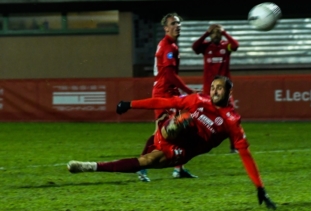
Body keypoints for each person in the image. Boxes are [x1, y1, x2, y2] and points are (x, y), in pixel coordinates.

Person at [67, 76, 277, 210]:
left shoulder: (231, 120)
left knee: (146, 161)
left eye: (219, 88)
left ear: (229, 93)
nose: (214, 91)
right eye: (212, 87)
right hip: (172, 132)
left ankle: (89, 167)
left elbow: (245, 154)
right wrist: (131, 104)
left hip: (183, 151)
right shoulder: (198, 100)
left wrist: (260, 187)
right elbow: (164, 102)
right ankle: (173, 125)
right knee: (182, 119)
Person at [138, 12, 197, 182]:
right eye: (172, 23)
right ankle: (141, 167)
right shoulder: (168, 47)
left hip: (171, 93)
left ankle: (178, 169)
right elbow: (170, 76)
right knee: (161, 133)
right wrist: (188, 90)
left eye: (178, 23)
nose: (176, 26)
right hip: (164, 94)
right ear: (165, 28)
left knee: (182, 128)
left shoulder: (169, 45)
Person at [192, 24, 239, 153]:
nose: (215, 35)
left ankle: (233, 146)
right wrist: (205, 34)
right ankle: (198, 144)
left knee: (231, 118)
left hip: (224, 90)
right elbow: (195, 47)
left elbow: (235, 45)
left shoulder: (226, 46)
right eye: (213, 33)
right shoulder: (206, 47)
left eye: (218, 33)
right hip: (209, 91)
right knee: (201, 118)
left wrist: (226, 33)